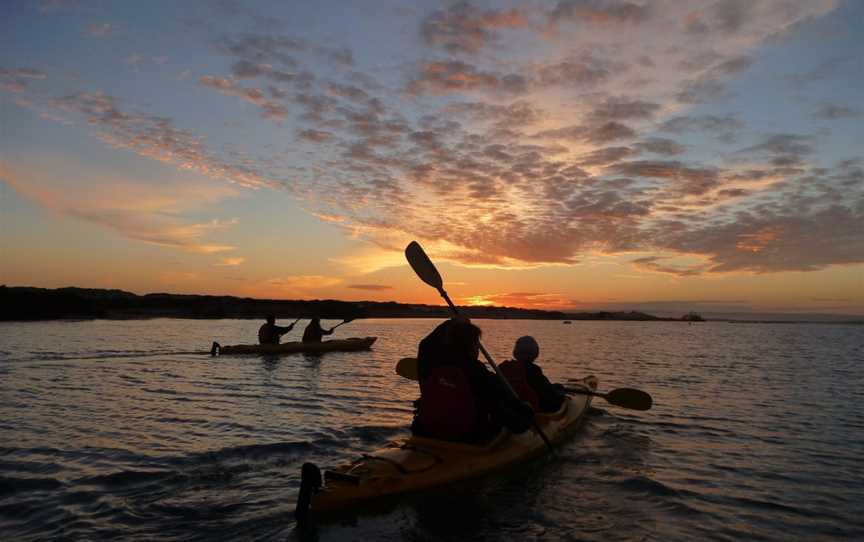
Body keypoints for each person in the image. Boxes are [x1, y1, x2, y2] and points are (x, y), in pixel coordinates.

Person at [411, 318, 534, 443]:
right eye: (477, 344)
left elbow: (426, 344)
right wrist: (525, 415)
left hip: (427, 431)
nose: (478, 349)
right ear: (471, 346)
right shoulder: (478, 372)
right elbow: (498, 408)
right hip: (468, 437)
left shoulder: (432, 364)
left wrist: (453, 323)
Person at [499, 336, 566, 413]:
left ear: (516, 352)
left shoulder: (502, 367)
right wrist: (561, 396)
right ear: (535, 353)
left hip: (507, 409)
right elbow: (547, 394)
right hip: (528, 413)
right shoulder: (533, 370)